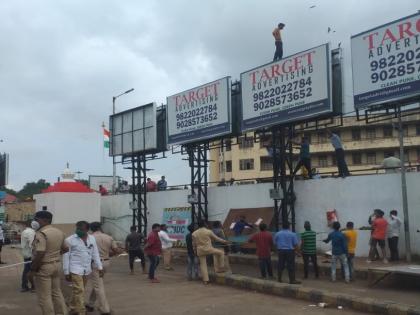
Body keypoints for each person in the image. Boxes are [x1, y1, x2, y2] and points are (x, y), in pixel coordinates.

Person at [29, 211, 68, 315]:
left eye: (37, 219)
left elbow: (40, 252)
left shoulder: (41, 233)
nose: (35, 222)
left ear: (45, 220)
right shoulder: (59, 232)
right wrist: (54, 255)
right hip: (57, 265)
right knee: (56, 292)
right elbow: (66, 248)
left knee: (44, 296)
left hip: (44, 267)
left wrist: (33, 269)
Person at [63, 221, 103, 315]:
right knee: (79, 290)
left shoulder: (92, 238)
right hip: (75, 269)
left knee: (79, 290)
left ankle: (73, 307)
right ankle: (81, 311)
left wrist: (99, 267)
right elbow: (66, 256)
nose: (78, 231)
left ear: (87, 230)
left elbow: (95, 253)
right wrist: (66, 272)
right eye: (77, 228)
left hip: (86, 269)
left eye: (81, 229)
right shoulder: (70, 240)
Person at [85, 222, 118, 315]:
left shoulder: (90, 238)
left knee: (98, 286)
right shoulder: (108, 237)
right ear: (100, 227)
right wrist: (108, 253)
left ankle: (105, 309)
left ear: (91, 229)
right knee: (98, 283)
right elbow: (115, 251)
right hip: (106, 262)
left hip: (95, 263)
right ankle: (90, 304)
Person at [192, 220, 229, 285]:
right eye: (206, 224)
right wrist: (225, 242)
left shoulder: (194, 233)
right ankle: (221, 267)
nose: (207, 225)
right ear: (204, 224)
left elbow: (194, 244)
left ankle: (206, 280)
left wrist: (195, 251)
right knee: (221, 253)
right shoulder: (208, 231)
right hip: (209, 249)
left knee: (203, 265)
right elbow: (217, 239)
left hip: (200, 250)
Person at [20, 220, 36, 292]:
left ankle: (25, 286)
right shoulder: (31, 232)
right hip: (30, 255)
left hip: (26, 254)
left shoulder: (25, 231)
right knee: (30, 270)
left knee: (27, 270)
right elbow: (32, 244)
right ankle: (30, 286)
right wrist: (35, 254)